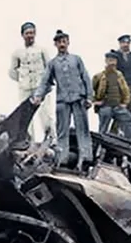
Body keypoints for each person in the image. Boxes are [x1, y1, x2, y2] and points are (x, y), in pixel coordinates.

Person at [32, 30, 94, 168]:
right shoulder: (53, 63)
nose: (62, 44)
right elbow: (45, 81)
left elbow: (86, 78)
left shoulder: (76, 59)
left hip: (79, 98)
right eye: (59, 42)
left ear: (68, 42)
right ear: (55, 44)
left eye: (64, 41)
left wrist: (89, 97)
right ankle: (63, 159)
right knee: (62, 131)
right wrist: (38, 95)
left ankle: (86, 158)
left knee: (83, 130)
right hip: (63, 101)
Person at [8, 22, 56, 144]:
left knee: (46, 113)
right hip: (25, 88)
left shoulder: (41, 50)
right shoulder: (17, 52)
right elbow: (12, 71)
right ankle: (29, 140)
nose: (30, 36)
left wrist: (47, 84)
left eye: (32, 33)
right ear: (22, 35)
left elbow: (49, 67)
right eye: (27, 33)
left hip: (40, 87)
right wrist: (22, 80)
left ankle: (51, 139)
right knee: (25, 115)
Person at [92, 51, 131, 143]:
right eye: (109, 60)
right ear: (106, 61)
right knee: (103, 128)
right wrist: (95, 101)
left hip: (117, 106)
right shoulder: (99, 76)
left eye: (113, 60)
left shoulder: (119, 75)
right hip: (105, 106)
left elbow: (125, 91)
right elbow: (91, 90)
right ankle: (99, 144)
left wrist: (125, 103)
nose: (112, 62)